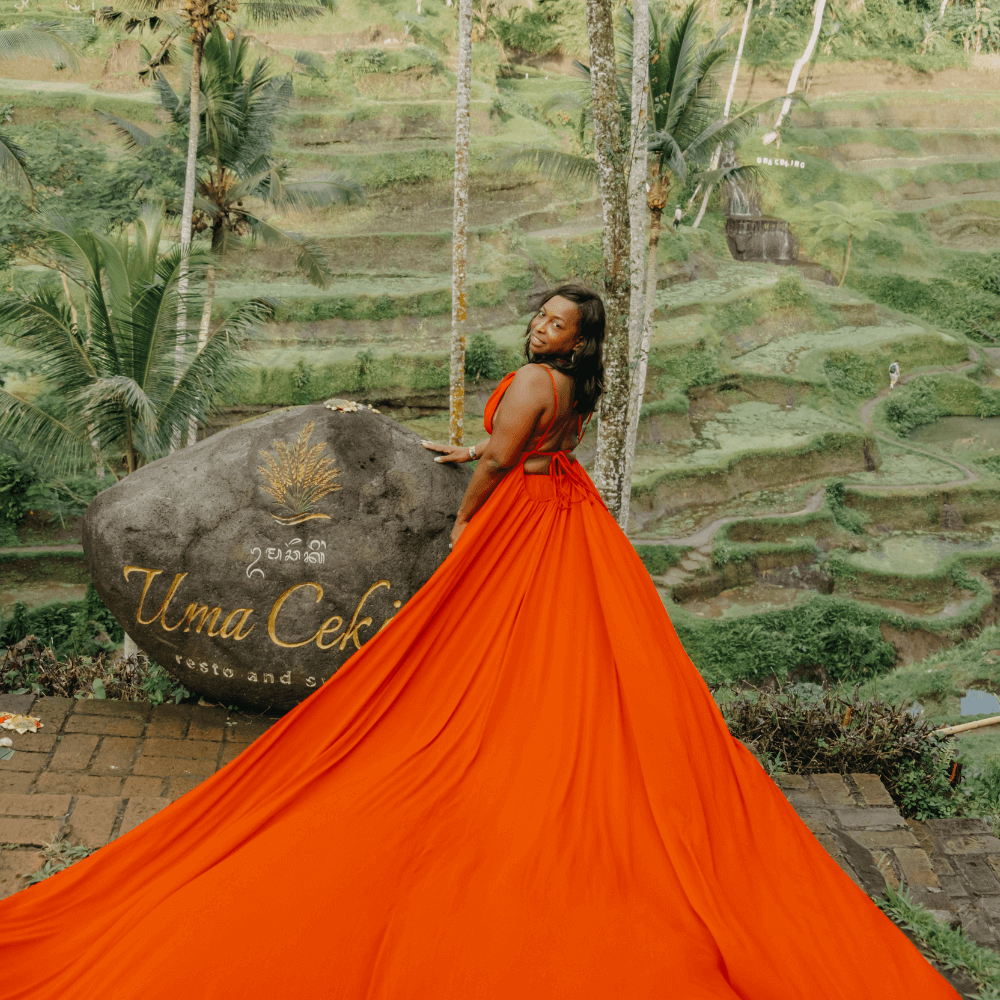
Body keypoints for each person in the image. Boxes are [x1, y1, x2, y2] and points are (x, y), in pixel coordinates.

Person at [0, 285, 958, 999]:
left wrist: (466, 519)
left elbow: (503, 459)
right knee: (569, 650)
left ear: (574, 342)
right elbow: (530, 445)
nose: (545, 329)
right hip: (569, 512)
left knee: (480, 635)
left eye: (559, 324)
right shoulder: (573, 389)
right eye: (542, 316)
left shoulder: (535, 380)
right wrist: (484, 451)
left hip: (522, 516)